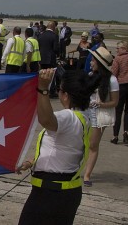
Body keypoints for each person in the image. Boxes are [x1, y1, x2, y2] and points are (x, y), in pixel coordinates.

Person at [16, 68, 94, 225]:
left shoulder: (67, 117)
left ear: (65, 95)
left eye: (59, 90)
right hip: (66, 192)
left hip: (51, 194)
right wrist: (31, 162)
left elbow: (46, 120)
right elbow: (62, 149)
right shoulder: (85, 116)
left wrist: (43, 89)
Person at [83, 47, 119, 187]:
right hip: (86, 112)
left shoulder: (112, 80)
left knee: (93, 145)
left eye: (93, 60)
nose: (91, 62)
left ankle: (87, 174)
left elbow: (114, 102)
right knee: (82, 141)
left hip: (99, 114)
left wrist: (99, 104)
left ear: (100, 63)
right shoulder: (91, 75)